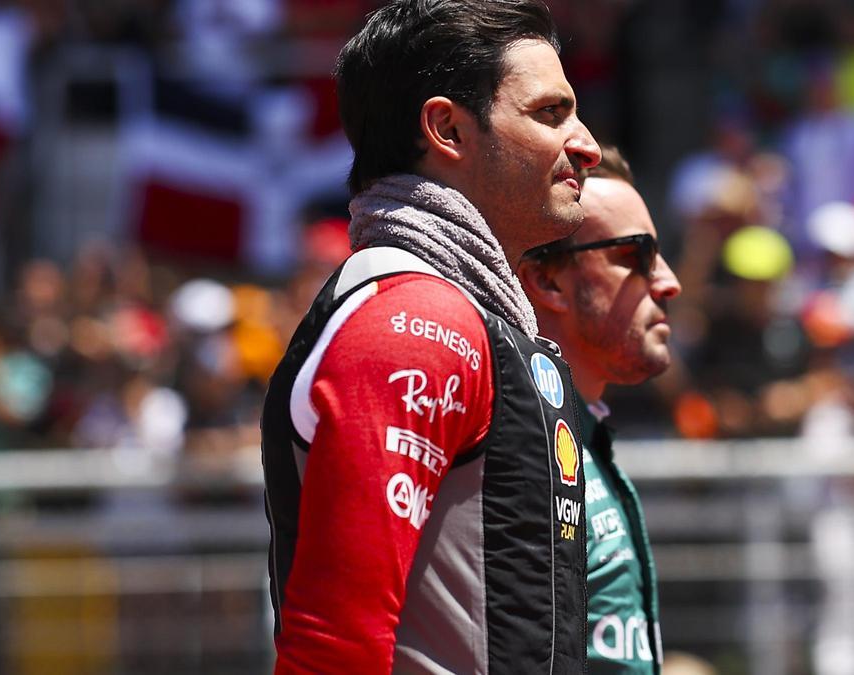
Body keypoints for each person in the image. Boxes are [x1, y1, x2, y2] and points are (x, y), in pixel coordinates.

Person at [260, 0, 601, 672]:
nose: (587, 145)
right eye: (550, 114)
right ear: (447, 129)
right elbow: (336, 642)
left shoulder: (456, 314)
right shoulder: (417, 320)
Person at [518, 145, 682, 673]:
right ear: (548, 281)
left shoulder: (580, 433)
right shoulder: (511, 446)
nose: (668, 281)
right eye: (635, 256)